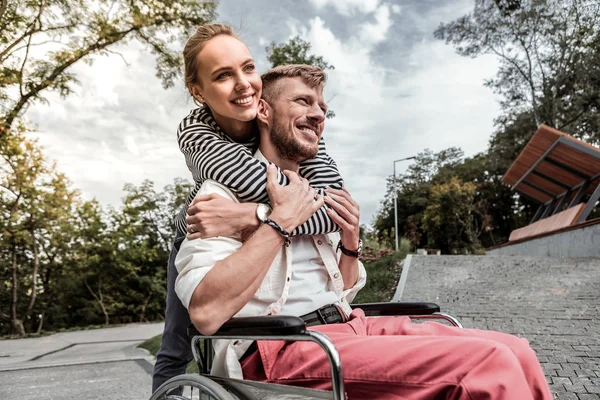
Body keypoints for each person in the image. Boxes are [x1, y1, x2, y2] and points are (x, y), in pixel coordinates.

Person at [174, 64, 553, 400]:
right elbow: (206, 313)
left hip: (350, 325)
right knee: (487, 365)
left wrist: (351, 245)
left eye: (322, 107)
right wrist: (277, 222)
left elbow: (345, 290)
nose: (318, 114)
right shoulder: (220, 195)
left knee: (516, 349)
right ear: (264, 111)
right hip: (283, 346)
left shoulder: (319, 191)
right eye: (304, 102)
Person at [152, 24, 344, 392]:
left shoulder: (278, 119)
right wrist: (285, 210)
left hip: (240, 217)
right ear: (198, 91)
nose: (243, 83)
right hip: (203, 226)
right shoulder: (197, 132)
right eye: (223, 75)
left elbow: (327, 203)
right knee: (178, 342)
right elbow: (273, 191)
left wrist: (254, 216)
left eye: (248, 67)